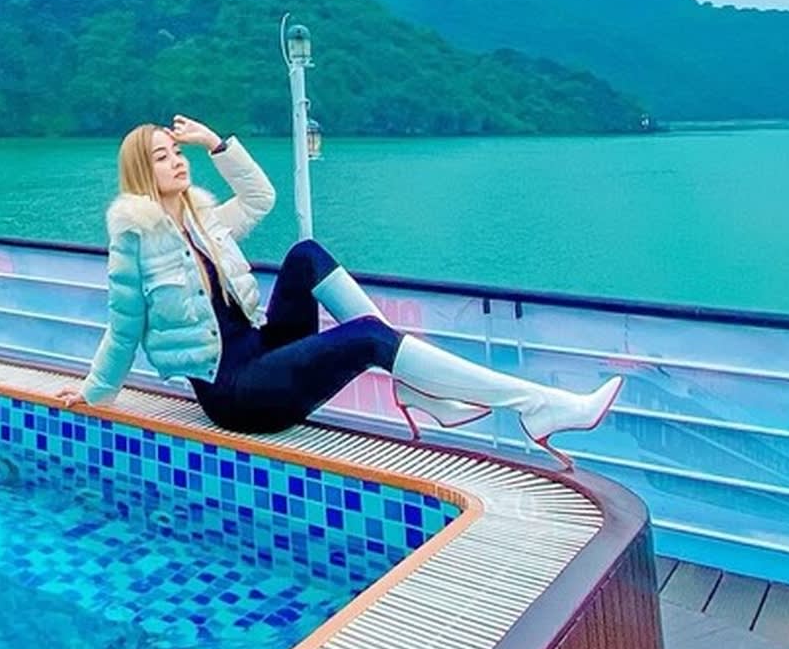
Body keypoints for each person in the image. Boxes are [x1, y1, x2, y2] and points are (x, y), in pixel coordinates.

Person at [54, 116, 621, 467]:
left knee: (304, 254)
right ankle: (535, 406)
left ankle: (417, 385)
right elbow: (123, 328)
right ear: (141, 172)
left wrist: (215, 144)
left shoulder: (205, 221)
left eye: (177, 152)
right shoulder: (135, 238)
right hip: (236, 393)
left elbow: (260, 199)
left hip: (264, 352)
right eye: (162, 157)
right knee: (368, 336)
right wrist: (93, 393)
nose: (177, 161)